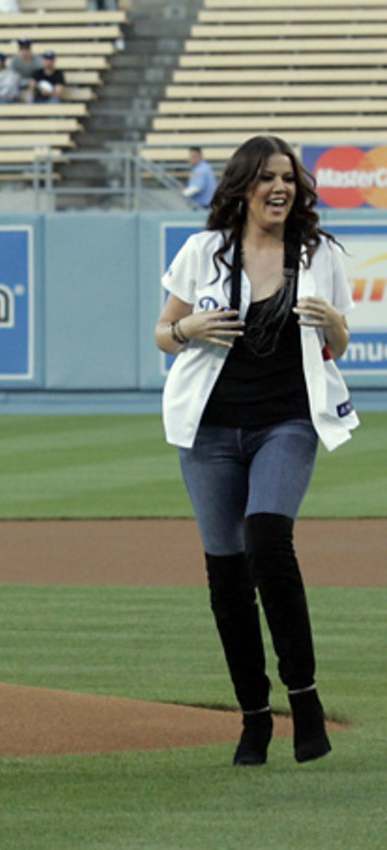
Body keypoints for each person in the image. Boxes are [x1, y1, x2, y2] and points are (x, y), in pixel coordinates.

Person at [156, 135, 358, 768]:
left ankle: (304, 700)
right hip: (210, 432)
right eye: (268, 177)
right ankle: (253, 718)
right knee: (227, 576)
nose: (281, 187)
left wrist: (332, 324)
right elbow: (164, 333)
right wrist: (186, 329)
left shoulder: (320, 253)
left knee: (269, 538)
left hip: (288, 422)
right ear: (242, 187)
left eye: (289, 178)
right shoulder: (201, 251)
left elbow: (341, 342)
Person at [183, 146, 218, 210]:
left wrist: (184, 192)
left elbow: (197, 188)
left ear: (200, 157)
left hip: (203, 206)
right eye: (190, 157)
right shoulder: (206, 167)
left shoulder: (200, 170)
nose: (191, 159)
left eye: (194, 157)